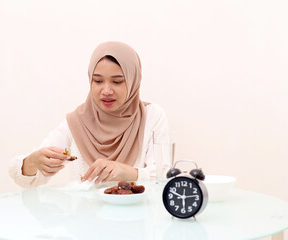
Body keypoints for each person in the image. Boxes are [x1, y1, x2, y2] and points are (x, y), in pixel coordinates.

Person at [9, 41, 169, 188]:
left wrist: (125, 171)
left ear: (134, 80)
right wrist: (32, 162)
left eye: (117, 81)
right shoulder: (78, 121)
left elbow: (164, 177)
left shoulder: (152, 117)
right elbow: (29, 180)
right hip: (84, 217)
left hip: (139, 217)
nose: (106, 91)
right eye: (98, 81)